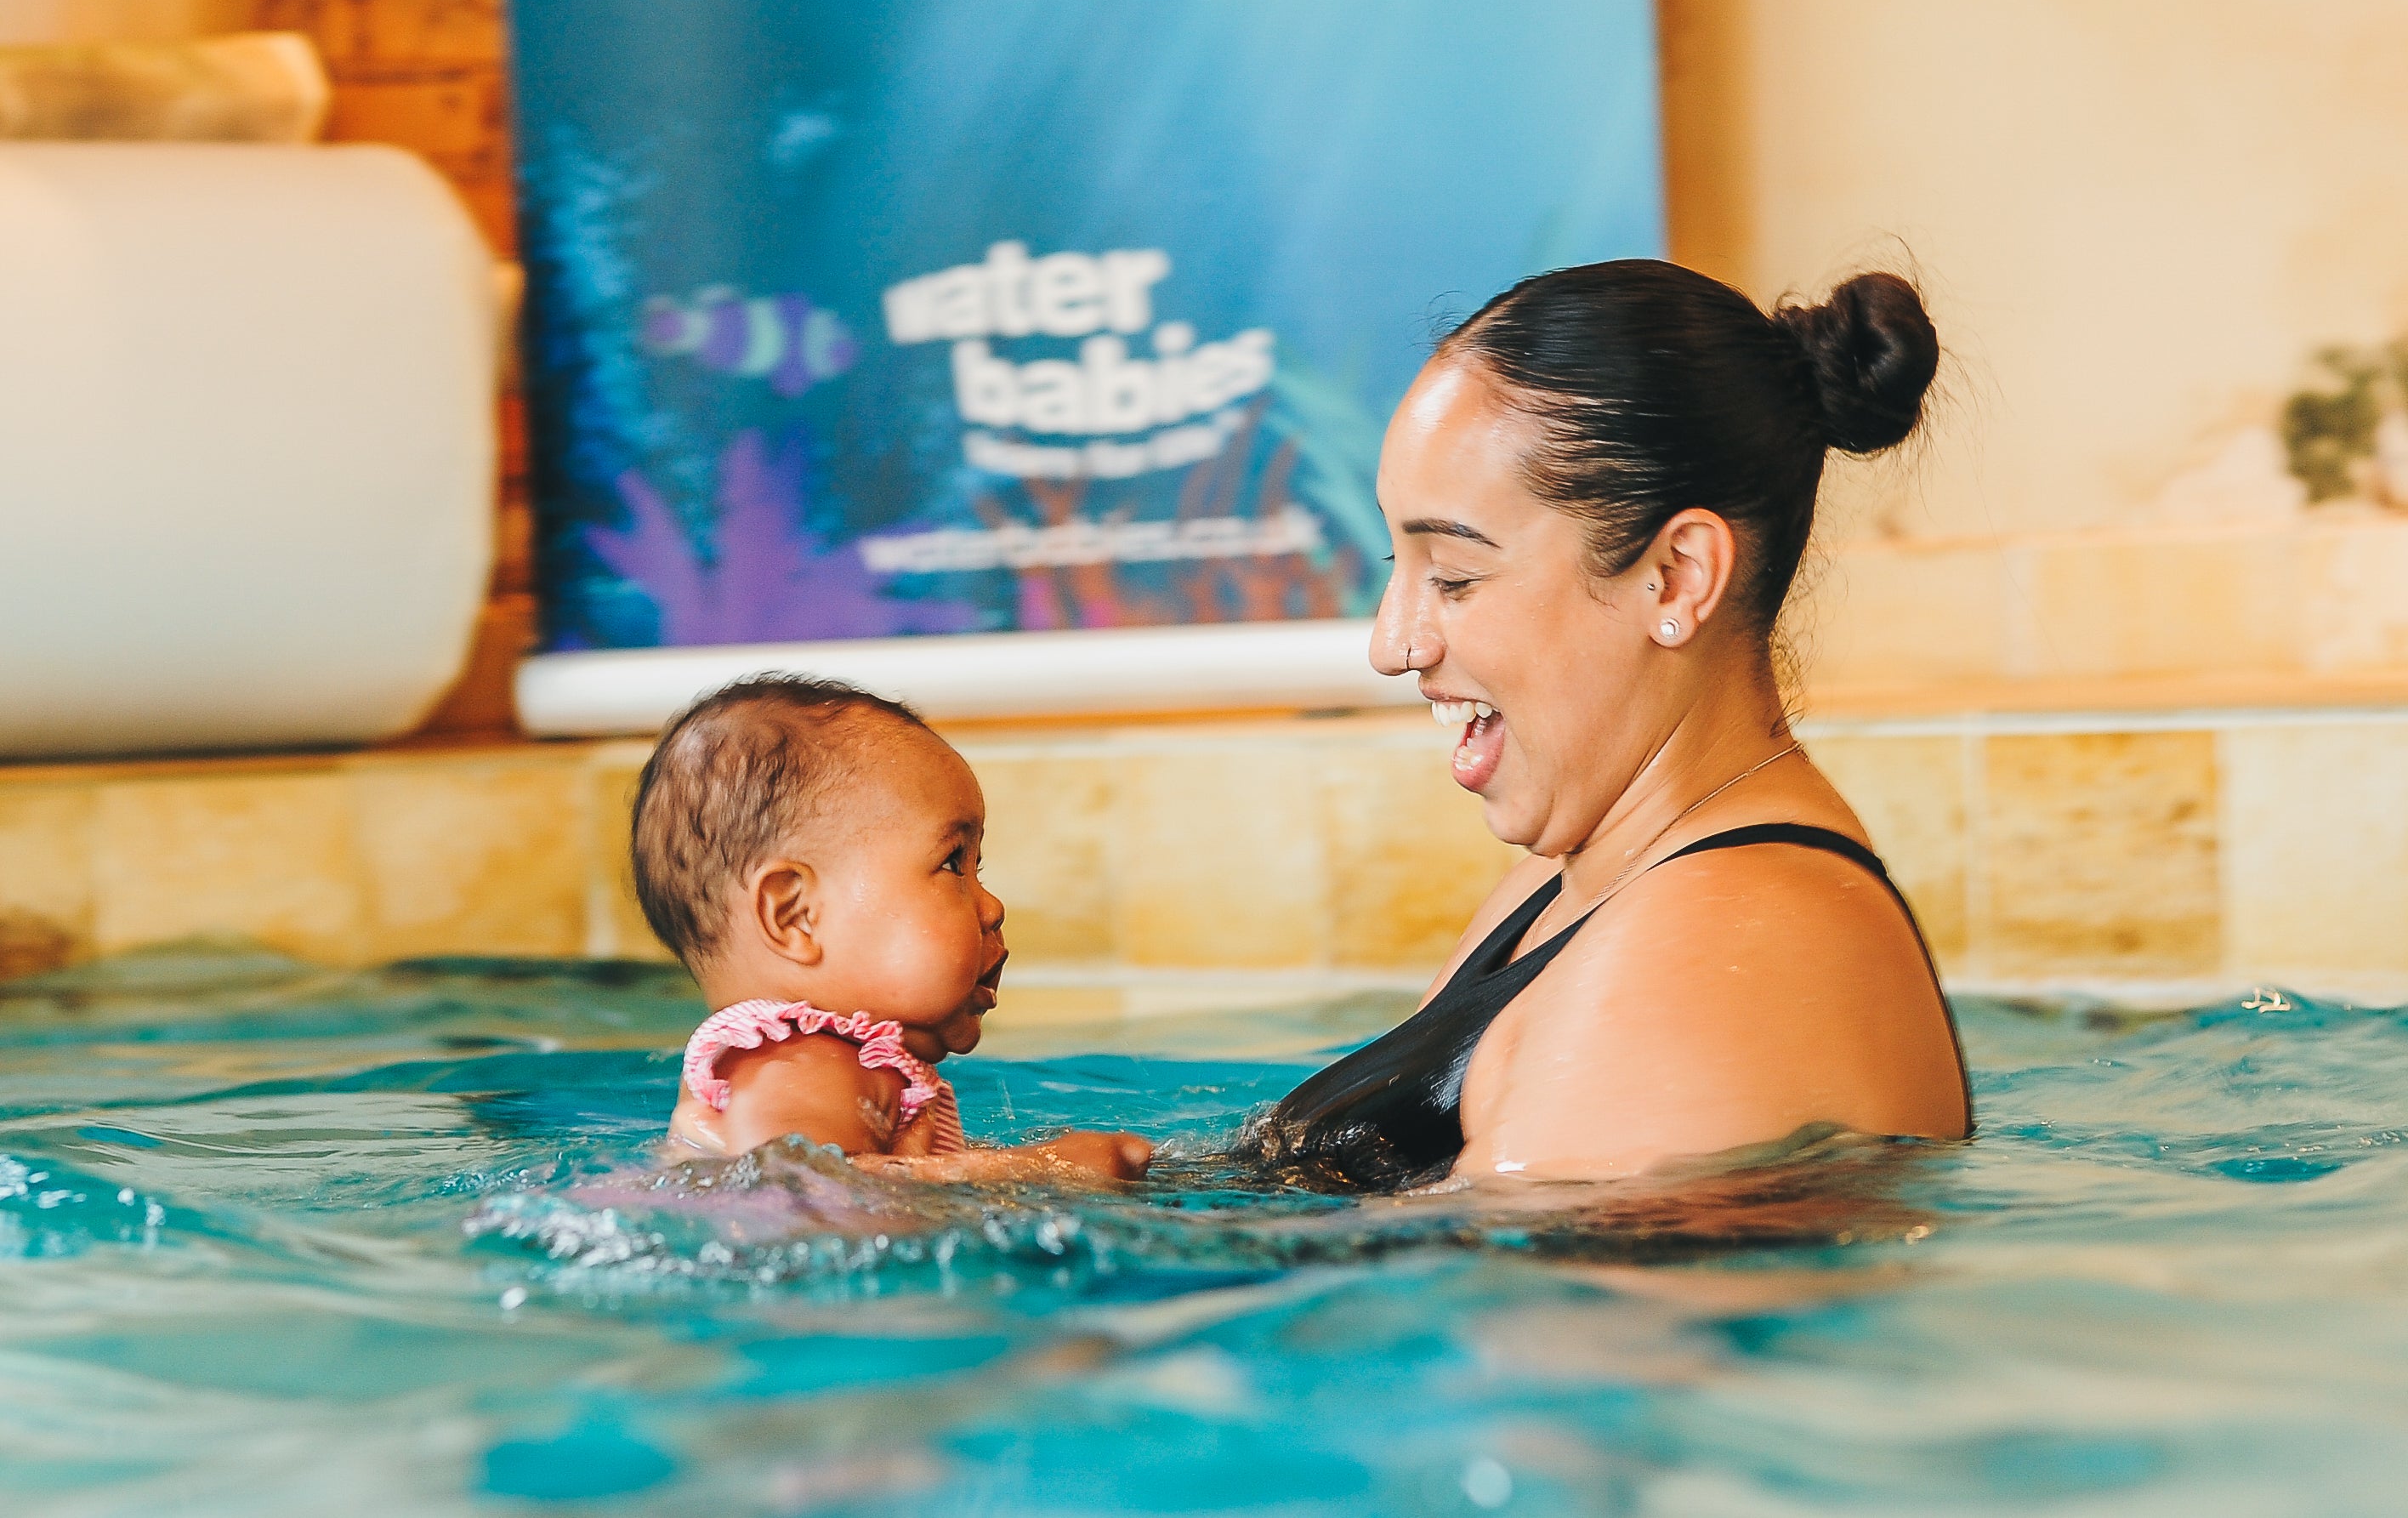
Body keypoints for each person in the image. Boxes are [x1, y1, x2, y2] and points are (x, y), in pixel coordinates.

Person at [1257, 259, 1972, 1191]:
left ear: (1675, 578)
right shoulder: (1563, 894)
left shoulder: (1710, 954)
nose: (1393, 645)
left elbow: (1503, 1319)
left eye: (1456, 577)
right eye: (1401, 564)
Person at [633, 674, 1151, 1182]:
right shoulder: (802, 1062)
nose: (992, 907)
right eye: (952, 864)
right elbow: (798, 1194)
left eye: (978, 867)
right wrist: (1039, 1171)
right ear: (795, 916)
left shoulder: (839, 1065)